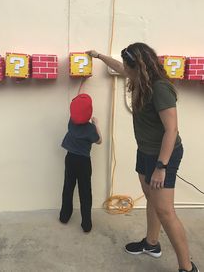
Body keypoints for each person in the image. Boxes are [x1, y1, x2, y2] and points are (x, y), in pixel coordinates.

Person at [86, 43, 199, 272]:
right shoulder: (140, 78)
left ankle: (187, 268)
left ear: (138, 67)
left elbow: (172, 130)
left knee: (166, 212)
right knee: (152, 199)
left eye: (128, 68)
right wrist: (98, 56)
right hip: (145, 151)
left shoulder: (160, 89)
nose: (124, 71)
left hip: (163, 156)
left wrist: (161, 167)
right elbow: (118, 66)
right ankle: (151, 243)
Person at [59, 93, 102, 233]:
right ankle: (86, 224)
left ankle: (64, 216)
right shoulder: (90, 129)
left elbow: (76, 110)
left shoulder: (71, 122)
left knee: (68, 187)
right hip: (83, 162)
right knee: (85, 192)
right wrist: (96, 124)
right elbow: (99, 140)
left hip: (70, 158)